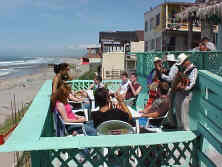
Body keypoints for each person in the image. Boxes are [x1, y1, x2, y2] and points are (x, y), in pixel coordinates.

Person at [174, 53, 198, 130]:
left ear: (186, 61)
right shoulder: (183, 69)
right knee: (178, 112)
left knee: (184, 113)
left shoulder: (193, 69)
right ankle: (179, 129)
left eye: (182, 63)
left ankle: (186, 131)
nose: (182, 65)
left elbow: (192, 83)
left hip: (186, 94)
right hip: (180, 93)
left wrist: (183, 87)